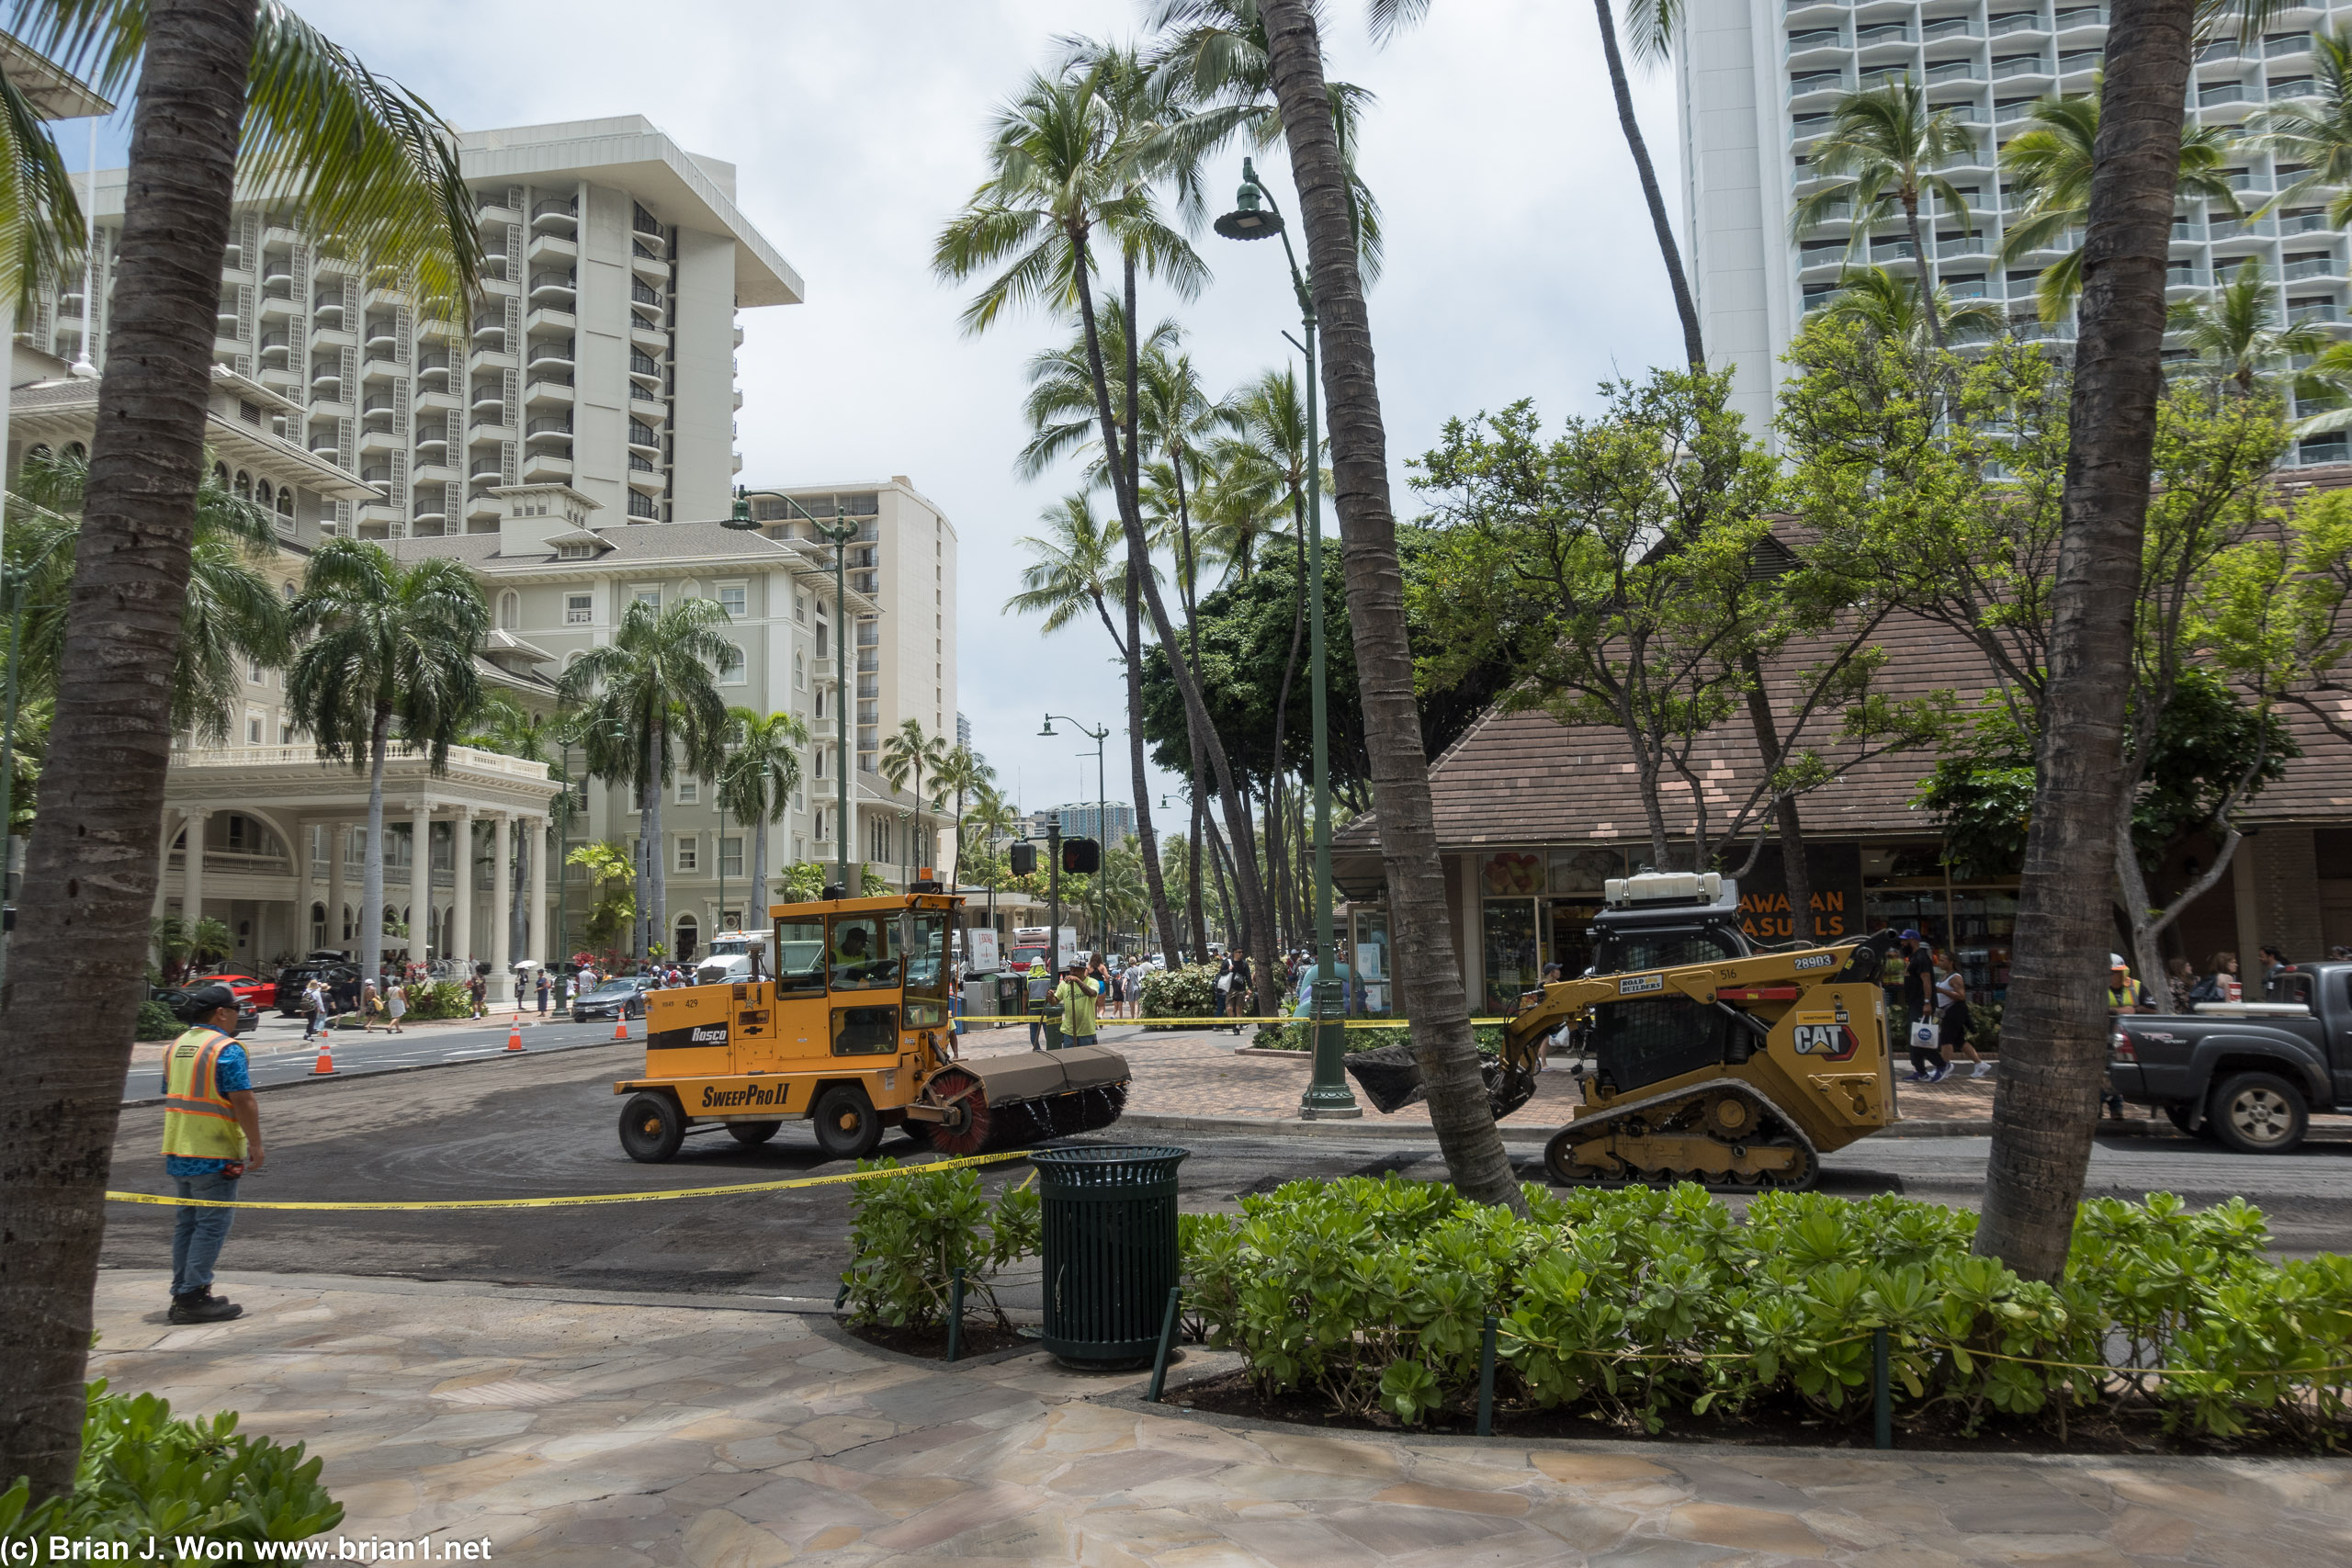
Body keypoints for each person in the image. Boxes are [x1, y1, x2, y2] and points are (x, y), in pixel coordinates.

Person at [159, 983, 265, 1325]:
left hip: (178, 1148)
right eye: (235, 1010)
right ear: (221, 1013)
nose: (237, 1015)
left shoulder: (174, 1048)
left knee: (187, 1224)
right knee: (211, 1225)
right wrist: (256, 1143)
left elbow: (172, 1091)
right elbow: (243, 1100)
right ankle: (192, 1296)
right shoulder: (226, 1049)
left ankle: (185, 1290)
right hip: (214, 1151)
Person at [2105, 955, 2153, 1119]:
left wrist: (2135, 1010)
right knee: (2102, 1073)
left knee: (2117, 1073)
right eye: (2110, 973)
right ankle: (2103, 1107)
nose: (2113, 976)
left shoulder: (2136, 986)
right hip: (2103, 1037)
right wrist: (2116, 1011)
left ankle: (2116, 1108)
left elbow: (2152, 1009)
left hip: (2129, 1039)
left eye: (2116, 973)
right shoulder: (2097, 987)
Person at [1935, 951, 1991, 1079]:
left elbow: (1961, 996)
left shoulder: (1956, 977)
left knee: (1946, 1039)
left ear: (1951, 962)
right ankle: (1980, 1064)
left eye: (1943, 960)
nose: (1939, 963)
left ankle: (1944, 1067)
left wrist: (1941, 990)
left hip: (1955, 1010)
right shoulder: (1944, 976)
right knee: (1959, 1040)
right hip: (1947, 1011)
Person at [1054, 961, 1101, 1052]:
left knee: (1086, 1061)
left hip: (1086, 1031)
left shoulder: (1092, 982)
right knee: (1070, 1060)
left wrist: (1077, 980)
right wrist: (1050, 997)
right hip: (1069, 1032)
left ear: (1083, 970)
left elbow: (1091, 993)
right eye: (1071, 970)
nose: (1073, 973)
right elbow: (1054, 1001)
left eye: (1076, 970)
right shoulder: (1064, 984)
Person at [1025, 956, 1053, 1050]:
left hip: (1033, 1008)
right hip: (1045, 1007)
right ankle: (1050, 1048)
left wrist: (1024, 1008)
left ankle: (1037, 1049)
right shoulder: (1049, 977)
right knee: (1047, 1030)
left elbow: (1025, 995)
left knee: (1033, 1030)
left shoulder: (1029, 978)